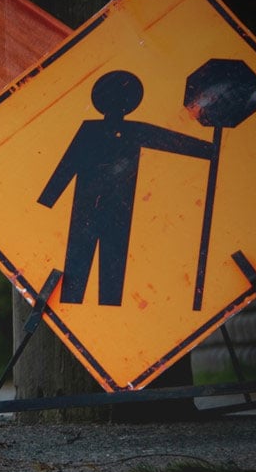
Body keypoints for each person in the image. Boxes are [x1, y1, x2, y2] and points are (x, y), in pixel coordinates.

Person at [37, 70, 215, 306]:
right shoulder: (92, 130)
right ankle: (75, 302)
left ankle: (107, 306)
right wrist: (47, 199)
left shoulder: (132, 130)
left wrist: (209, 150)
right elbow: (67, 165)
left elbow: (168, 140)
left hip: (117, 208)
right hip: (88, 207)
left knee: (112, 266)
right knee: (78, 264)